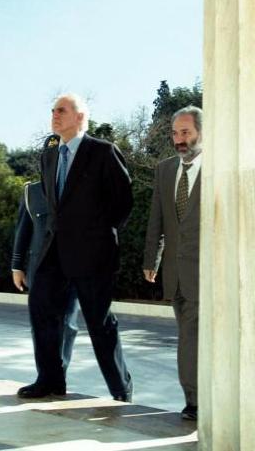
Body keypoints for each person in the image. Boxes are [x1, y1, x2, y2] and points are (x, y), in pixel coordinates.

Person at [17, 93, 133, 400]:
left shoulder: (103, 151)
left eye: (62, 110)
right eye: (53, 110)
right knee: (41, 310)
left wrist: (98, 235)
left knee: (99, 323)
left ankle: (121, 389)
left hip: (92, 255)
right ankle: (50, 381)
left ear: (80, 117)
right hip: (53, 252)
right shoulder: (49, 156)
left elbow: (122, 201)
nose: (55, 115)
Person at [143, 105, 202, 421]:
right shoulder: (165, 170)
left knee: (191, 336)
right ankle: (195, 399)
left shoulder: (219, 168)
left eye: (186, 132)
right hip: (176, 273)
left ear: (201, 133)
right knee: (187, 335)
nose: (179, 139)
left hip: (208, 272)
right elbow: (157, 218)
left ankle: (195, 400)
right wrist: (151, 257)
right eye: (175, 133)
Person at [11, 174, 80, 373]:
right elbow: (23, 230)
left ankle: (59, 375)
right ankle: (44, 376)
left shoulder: (81, 188)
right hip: (39, 269)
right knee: (41, 325)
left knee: (67, 324)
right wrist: (17, 266)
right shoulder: (32, 191)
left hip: (72, 269)